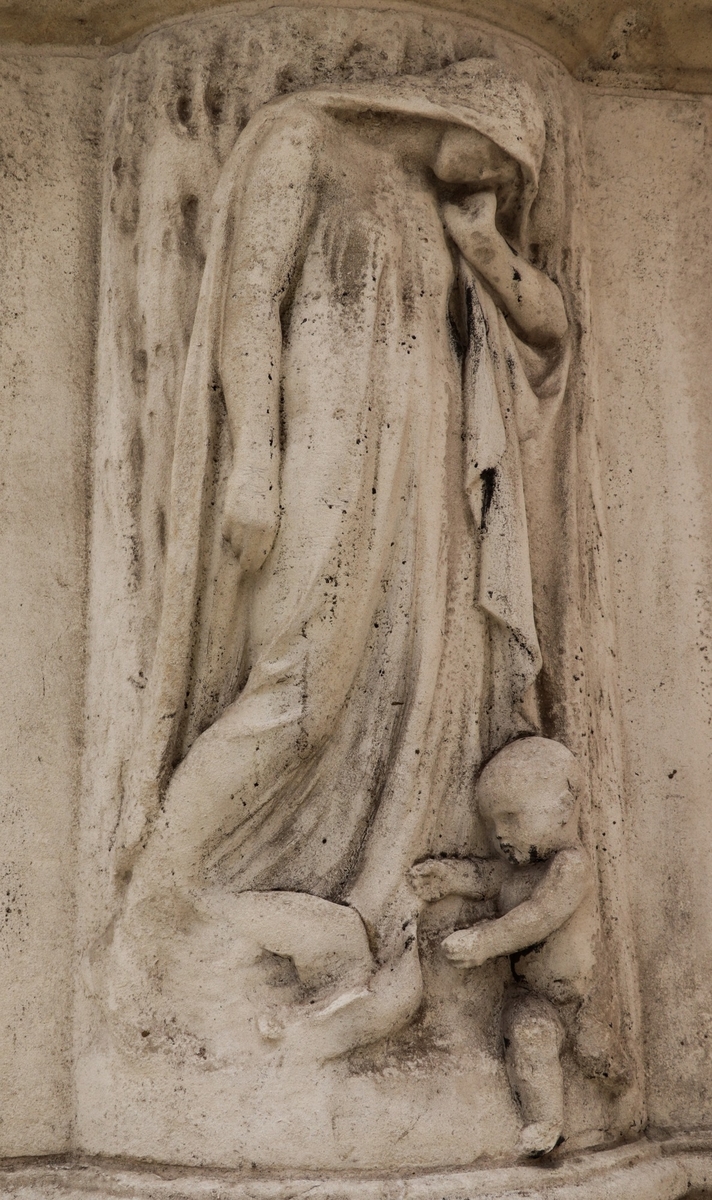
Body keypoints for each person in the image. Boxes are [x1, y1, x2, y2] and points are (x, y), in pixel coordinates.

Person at [112, 60, 570, 1051]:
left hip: (425, 490)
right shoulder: (300, 137)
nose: (497, 173)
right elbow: (248, 297)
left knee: (412, 688)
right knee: (300, 684)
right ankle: (163, 891)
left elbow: (538, 343)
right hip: (322, 454)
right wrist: (258, 461)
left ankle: (373, 911)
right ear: (465, 106)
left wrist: (483, 245)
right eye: (498, 151)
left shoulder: (448, 212)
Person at [410, 737, 629, 1155]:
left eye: (511, 817)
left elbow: (539, 916)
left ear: (564, 808)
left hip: (579, 999)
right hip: (531, 995)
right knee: (530, 1036)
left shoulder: (570, 867)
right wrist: (449, 877)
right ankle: (545, 1120)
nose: (500, 834)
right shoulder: (515, 871)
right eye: (493, 824)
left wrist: (486, 940)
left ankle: (609, 1072)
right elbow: (485, 879)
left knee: (599, 1059)